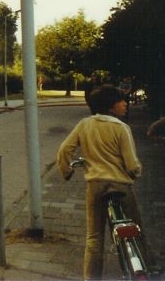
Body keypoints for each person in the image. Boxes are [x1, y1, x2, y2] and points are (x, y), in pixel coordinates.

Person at [57, 84, 149, 280]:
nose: (125, 104)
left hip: (95, 186)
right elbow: (132, 164)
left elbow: (65, 150)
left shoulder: (84, 125)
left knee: (94, 238)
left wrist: (67, 172)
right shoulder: (121, 128)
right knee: (137, 230)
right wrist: (135, 174)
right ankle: (147, 267)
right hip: (120, 186)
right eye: (121, 101)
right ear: (110, 106)